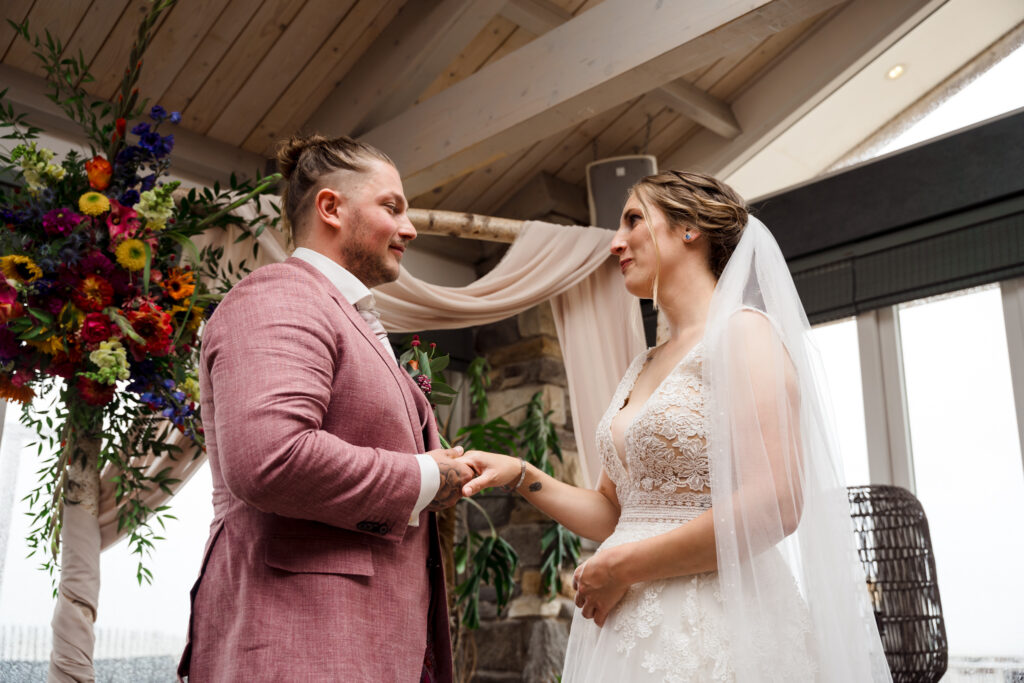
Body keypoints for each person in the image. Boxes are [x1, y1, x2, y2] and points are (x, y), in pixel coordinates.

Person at [460, 171, 892, 682]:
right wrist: (520, 474)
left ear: (690, 229)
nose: (616, 242)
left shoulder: (745, 334)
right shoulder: (642, 364)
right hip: (627, 628)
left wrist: (621, 568)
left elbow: (776, 502)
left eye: (633, 220)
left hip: (713, 619)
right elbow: (613, 511)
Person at [177, 134, 473, 682]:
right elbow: (270, 457)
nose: (409, 228)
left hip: (366, 643)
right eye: (392, 207)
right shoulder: (279, 297)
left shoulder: (347, 313)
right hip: (300, 644)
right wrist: (426, 475)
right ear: (331, 207)